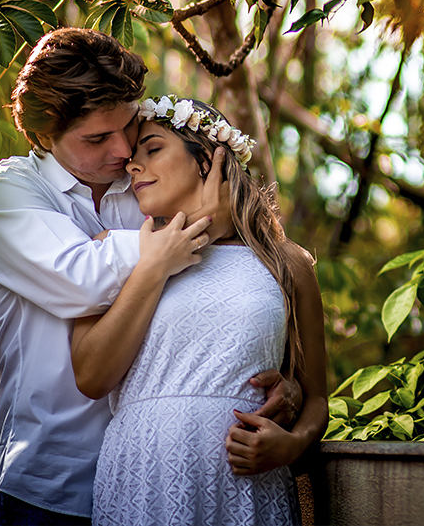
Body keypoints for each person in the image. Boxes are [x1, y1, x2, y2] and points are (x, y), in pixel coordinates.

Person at [0, 28, 301, 525]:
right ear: (44, 136)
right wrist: (198, 226)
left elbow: (216, 295)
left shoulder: (142, 184)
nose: (123, 149)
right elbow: (84, 281)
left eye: (127, 127)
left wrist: (288, 389)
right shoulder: (7, 195)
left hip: (164, 476)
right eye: (97, 138)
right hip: (50, 485)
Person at [70, 96, 327, 526]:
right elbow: (91, 376)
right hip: (142, 477)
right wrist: (160, 259)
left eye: (152, 149)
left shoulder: (287, 264)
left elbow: (315, 393)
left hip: (247, 485)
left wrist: (292, 443)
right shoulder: (113, 252)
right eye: (132, 159)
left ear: (210, 159)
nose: (133, 166)